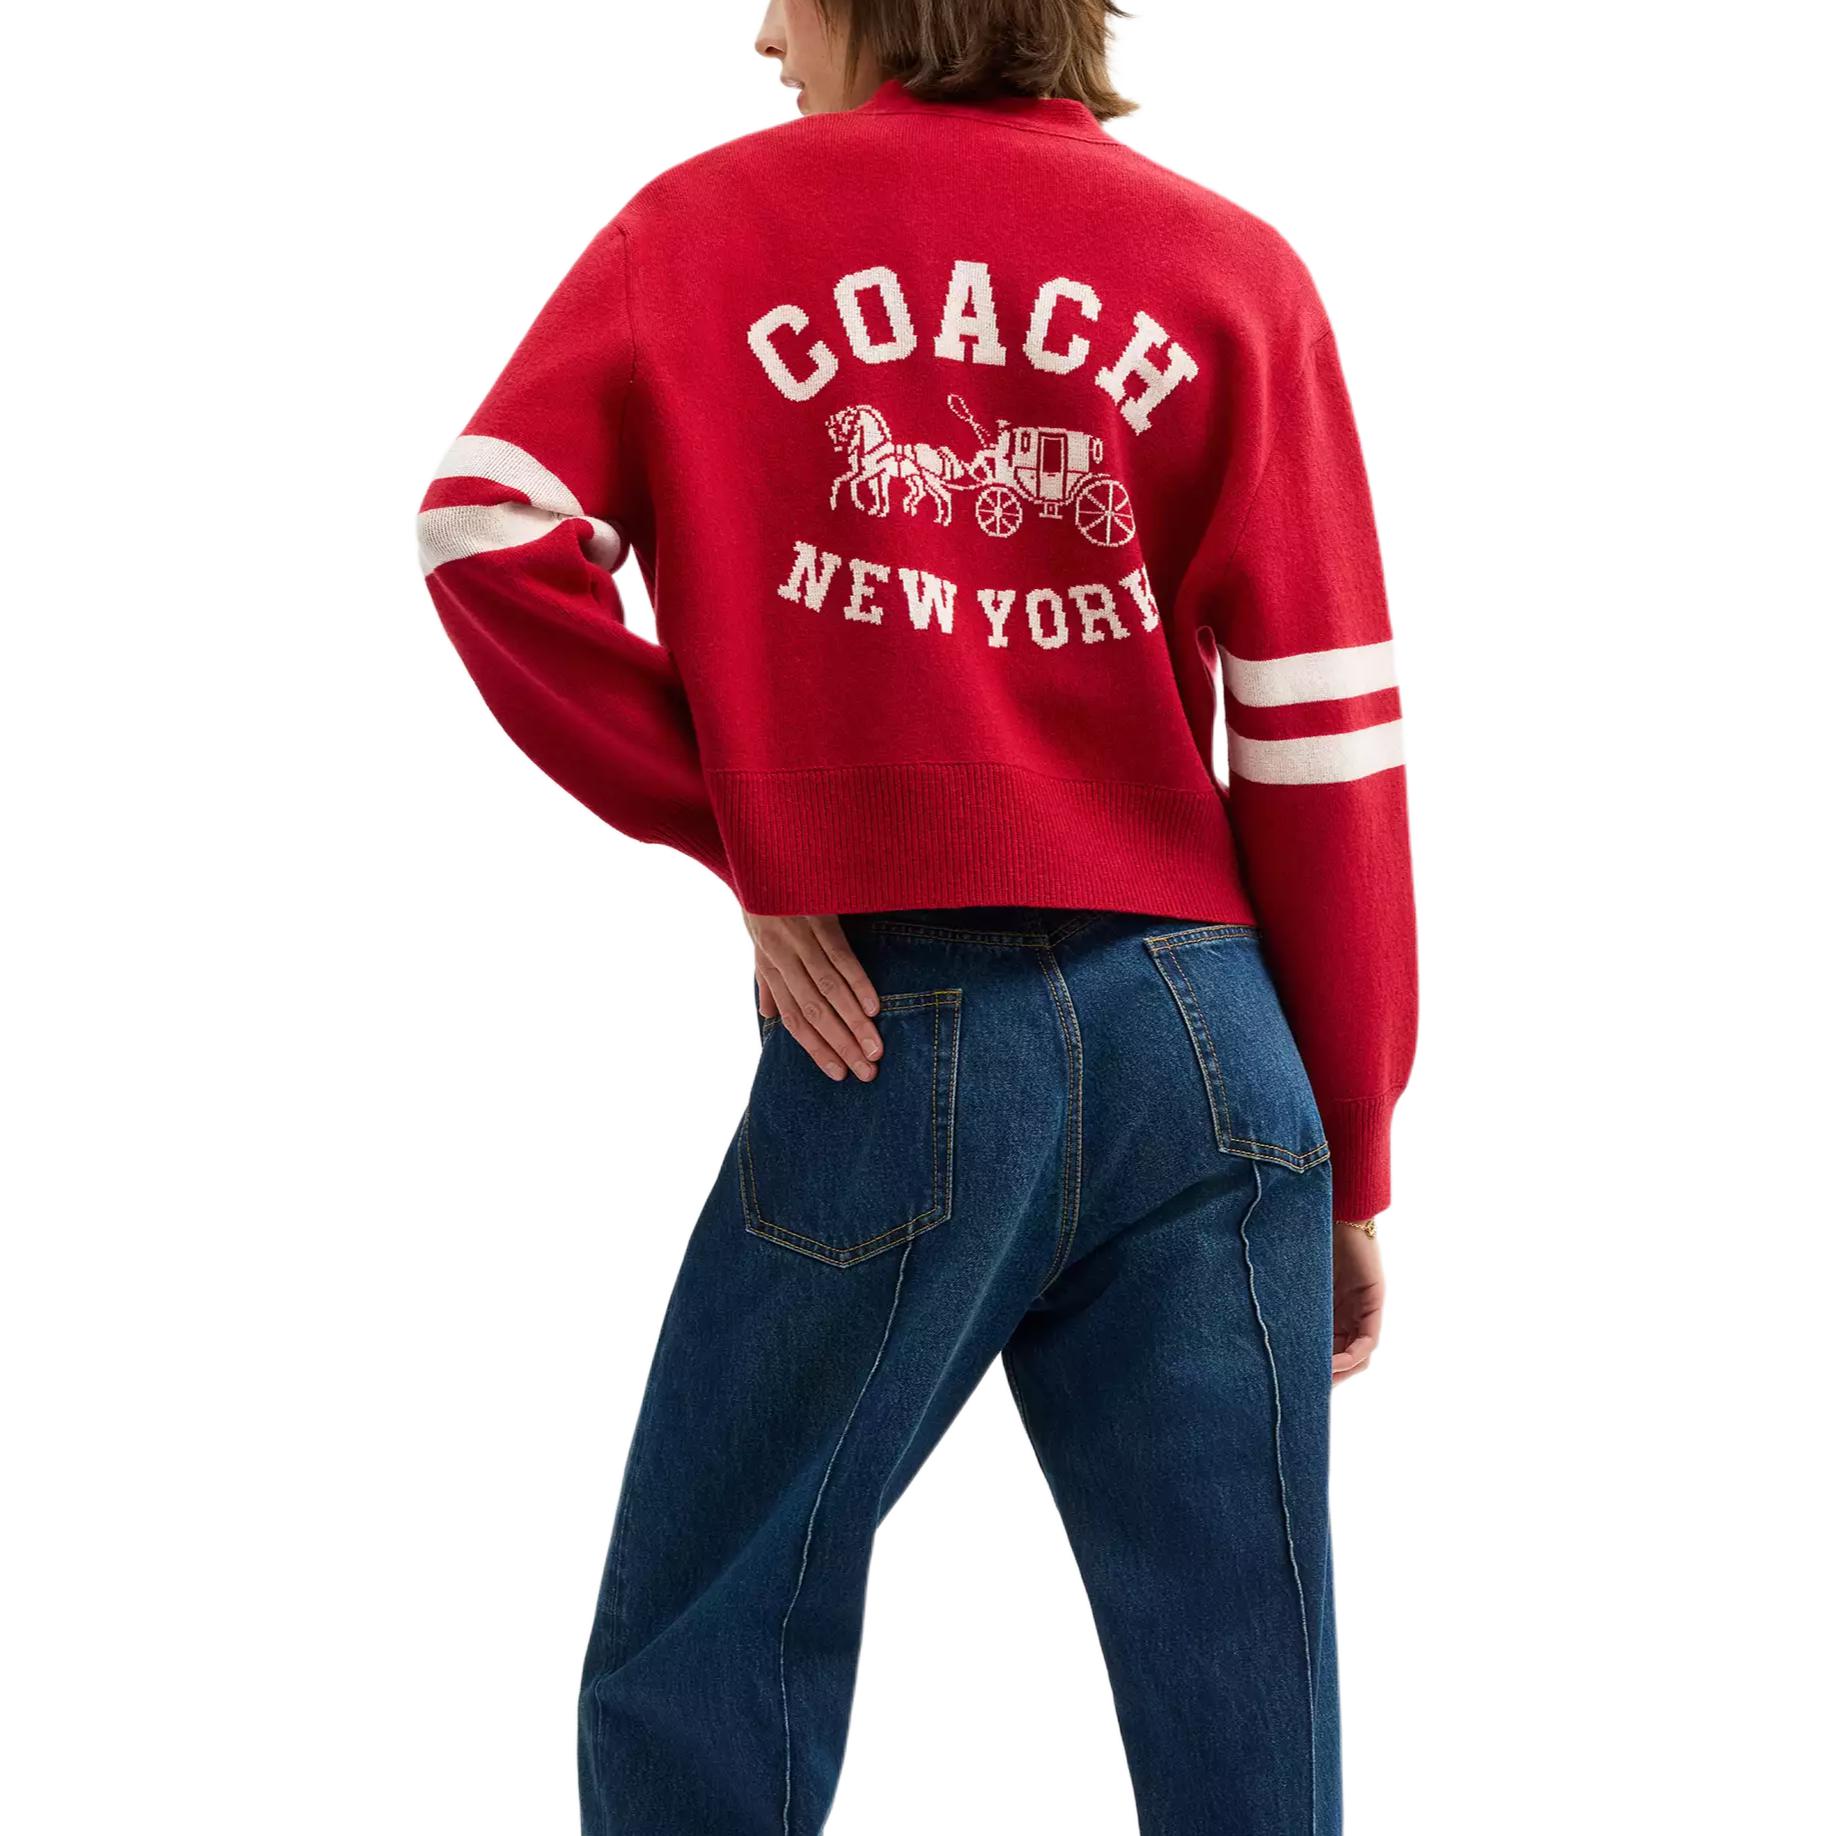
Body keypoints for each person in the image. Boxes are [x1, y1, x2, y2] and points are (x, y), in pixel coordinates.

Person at [414, 1, 1416, 1828]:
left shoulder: (704, 229)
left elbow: (486, 527)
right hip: (1208, 1043)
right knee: (1246, 1681)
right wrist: (1350, 1144)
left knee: (711, 1628)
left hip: (902, 1033)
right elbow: (1320, 733)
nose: (759, 36)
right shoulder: (1233, 270)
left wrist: (757, 834)